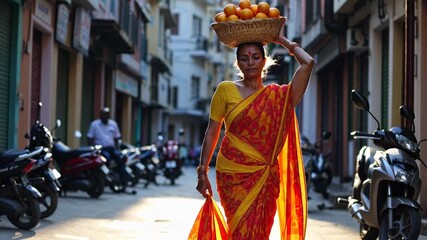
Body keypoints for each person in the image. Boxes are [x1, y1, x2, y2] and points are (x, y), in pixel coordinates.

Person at [193, 23, 315, 239]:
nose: (250, 62)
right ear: (237, 63)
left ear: (264, 60)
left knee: (259, 233)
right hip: (232, 175)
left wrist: (283, 41)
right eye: (244, 58)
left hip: (266, 176)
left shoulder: (279, 97)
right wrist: (202, 172)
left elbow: (308, 63)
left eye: (256, 56)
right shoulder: (225, 90)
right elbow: (212, 132)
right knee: (240, 231)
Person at [87, 107, 128, 192]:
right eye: (103, 115)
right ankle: (104, 180)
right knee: (106, 158)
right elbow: (90, 137)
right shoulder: (95, 124)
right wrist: (92, 149)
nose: (104, 116)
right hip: (101, 148)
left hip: (111, 148)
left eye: (106, 115)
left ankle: (123, 182)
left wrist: (117, 148)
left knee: (120, 158)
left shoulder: (113, 124)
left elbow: (117, 137)